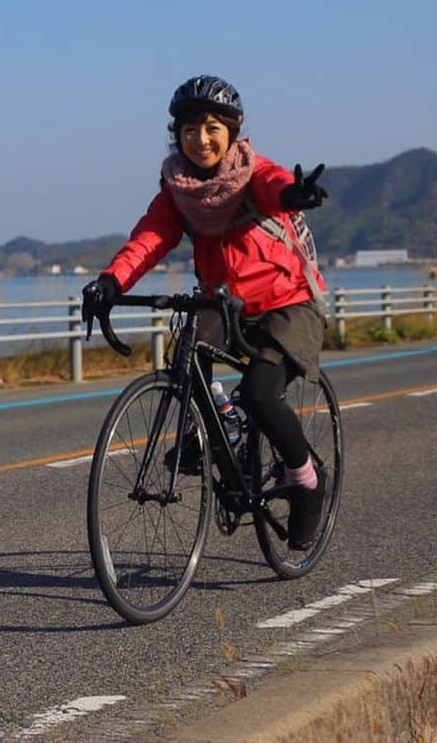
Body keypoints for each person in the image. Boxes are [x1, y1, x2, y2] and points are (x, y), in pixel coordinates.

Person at [81, 74, 330, 549]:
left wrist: (293, 196)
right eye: (190, 129)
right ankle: (223, 418)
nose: (201, 139)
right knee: (189, 356)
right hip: (222, 302)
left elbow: (274, 184)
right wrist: (110, 282)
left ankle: (307, 480)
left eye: (213, 127)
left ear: (232, 132)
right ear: (177, 134)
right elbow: (151, 238)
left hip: (287, 303)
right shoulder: (177, 190)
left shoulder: (253, 173)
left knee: (260, 392)